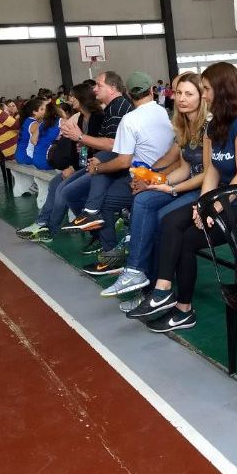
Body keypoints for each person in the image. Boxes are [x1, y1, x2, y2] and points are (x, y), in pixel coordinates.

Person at [128, 62, 237, 333]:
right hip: (224, 199)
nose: (203, 95)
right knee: (174, 225)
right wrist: (203, 204)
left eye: (205, 89)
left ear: (222, 89)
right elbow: (213, 171)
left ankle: (168, 297)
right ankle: (173, 301)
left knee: (181, 235)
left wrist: (212, 207)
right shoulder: (216, 123)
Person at [98, 72, 209, 303]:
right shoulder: (183, 124)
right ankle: (137, 272)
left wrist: (169, 188)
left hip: (205, 188)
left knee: (162, 218)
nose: (181, 99)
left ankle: (153, 288)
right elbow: (183, 165)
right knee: (143, 200)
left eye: (189, 94)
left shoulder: (208, 126)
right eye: (178, 93)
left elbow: (208, 174)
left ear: (202, 96)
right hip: (186, 183)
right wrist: (156, 181)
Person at [74, 71, 173, 275]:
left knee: (102, 204)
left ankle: (112, 257)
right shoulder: (162, 112)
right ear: (152, 90)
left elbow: (122, 161)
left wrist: (97, 168)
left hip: (142, 177)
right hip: (165, 173)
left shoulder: (129, 120)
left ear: (128, 93)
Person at [16, 83, 104, 241]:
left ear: (81, 98)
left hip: (97, 166)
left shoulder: (97, 117)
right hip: (83, 164)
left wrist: (74, 162)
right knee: (55, 183)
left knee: (64, 189)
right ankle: (42, 223)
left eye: (72, 96)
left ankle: (50, 229)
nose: (70, 99)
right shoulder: (82, 117)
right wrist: (73, 165)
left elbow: (97, 146)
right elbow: (80, 147)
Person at [60, 71, 133, 231]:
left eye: (99, 85)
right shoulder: (111, 108)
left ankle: (92, 218)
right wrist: (87, 144)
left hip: (116, 166)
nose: (95, 89)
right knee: (65, 189)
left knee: (70, 191)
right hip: (105, 161)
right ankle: (93, 223)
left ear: (113, 88)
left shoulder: (118, 108)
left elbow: (113, 144)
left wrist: (80, 138)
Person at [15, 98, 45, 165]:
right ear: (34, 111)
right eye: (42, 109)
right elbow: (38, 142)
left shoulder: (27, 120)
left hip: (19, 154)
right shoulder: (35, 124)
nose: (45, 111)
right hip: (27, 156)